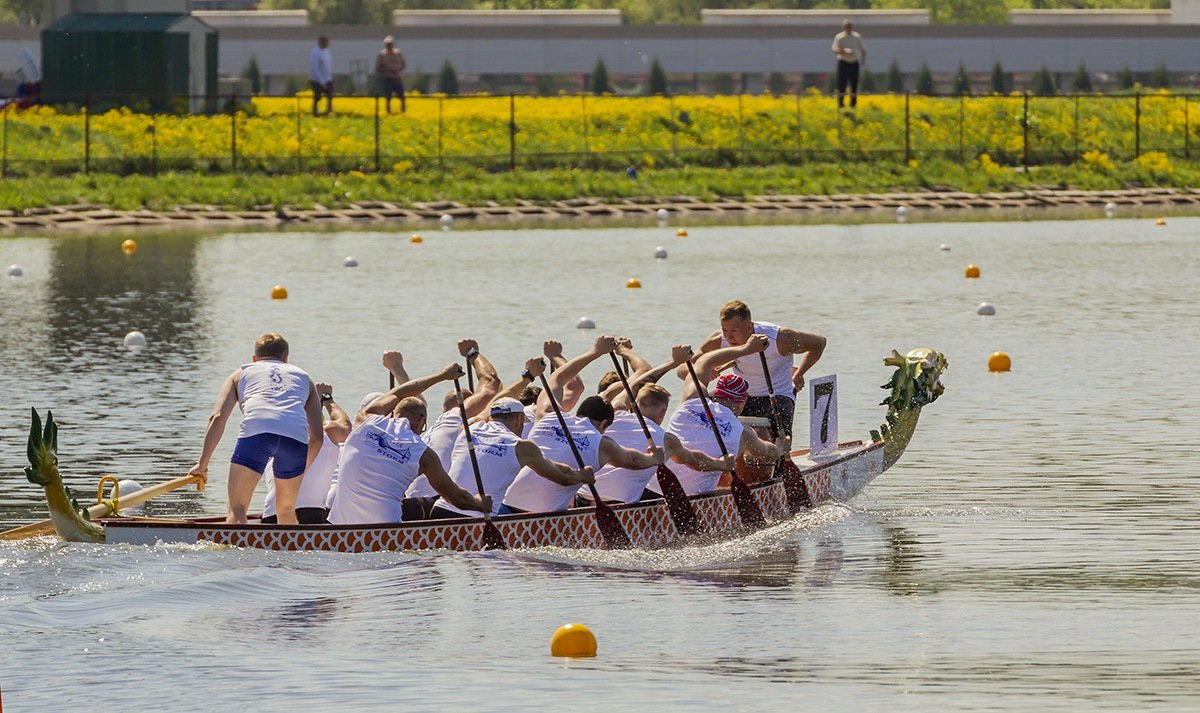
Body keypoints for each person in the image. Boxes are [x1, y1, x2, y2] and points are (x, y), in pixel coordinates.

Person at [499, 336, 664, 514]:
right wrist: (654, 459)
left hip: (505, 506)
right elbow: (632, 460)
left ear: (579, 413)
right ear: (603, 424)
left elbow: (558, 378)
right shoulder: (602, 444)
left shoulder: (548, 415)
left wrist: (595, 352)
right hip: (543, 517)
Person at [326, 362, 490, 525]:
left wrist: (442, 374)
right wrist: (479, 503)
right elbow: (455, 498)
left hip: (340, 529)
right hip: (387, 535)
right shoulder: (424, 455)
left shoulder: (366, 419)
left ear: (393, 414)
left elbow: (400, 392)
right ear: (421, 421)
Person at [188, 333, 324, 525]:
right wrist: (300, 468)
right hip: (295, 441)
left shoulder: (240, 373)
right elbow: (317, 437)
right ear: (286, 359)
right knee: (286, 510)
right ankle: (291, 553)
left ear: (254, 358)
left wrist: (202, 465)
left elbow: (218, 418)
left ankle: (237, 552)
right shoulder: (305, 378)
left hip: (257, 434)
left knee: (237, 508)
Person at [427, 380, 593, 520]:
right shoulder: (521, 446)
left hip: (439, 512)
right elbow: (561, 477)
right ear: (519, 419)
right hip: (476, 519)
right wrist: (581, 475)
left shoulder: (468, 429)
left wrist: (525, 378)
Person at [657, 336, 786, 497]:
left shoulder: (692, 398)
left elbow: (704, 361)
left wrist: (747, 348)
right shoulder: (744, 433)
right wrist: (781, 447)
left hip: (656, 487)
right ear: (741, 402)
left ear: (716, 393)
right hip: (695, 497)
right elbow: (768, 452)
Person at [698, 300, 826, 451]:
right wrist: (706, 371)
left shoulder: (781, 339)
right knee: (721, 428)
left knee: (778, 439)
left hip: (778, 393)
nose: (729, 337)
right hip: (742, 396)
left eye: (734, 331)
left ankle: (780, 459)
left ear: (750, 327)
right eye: (725, 330)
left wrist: (799, 373)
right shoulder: (718, 340)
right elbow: (683, 369)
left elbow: (820, 343)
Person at [586, 380, 734, 505]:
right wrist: (722, 464)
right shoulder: (666, 439)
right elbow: (694, 460)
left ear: (633, 406)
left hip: (583, 495)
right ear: (663, 412)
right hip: (618, 504)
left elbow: (622, 396)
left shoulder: (615, 415)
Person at [403, 340, 501, 517]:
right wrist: (472, 353)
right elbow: (491, 384)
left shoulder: (430, 428)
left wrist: (397, 368)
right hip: (438, 501)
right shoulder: (458, 415)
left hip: (412, 501)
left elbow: (410, 397)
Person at [261, 381, 351, 524]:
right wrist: (327, 399)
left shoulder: (271, 436)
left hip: (272, 515)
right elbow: (345, 426)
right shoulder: (327, 433)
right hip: (312, 513)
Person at [831, 19, 866, 113]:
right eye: (847, 26)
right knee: (841, 84)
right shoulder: (839, 37)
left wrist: (862, 60)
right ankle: (841, 104)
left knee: (854, 85)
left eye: (850, 26)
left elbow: (863, 49)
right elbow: (834, 49)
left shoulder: (857, 37)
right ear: (843, 27)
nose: (848, 28)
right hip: (843, 62)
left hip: (854, 62)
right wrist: (844, 51)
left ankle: (853, 105)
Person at [375, 35, 406, 114]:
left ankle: (403, 112)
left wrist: (398, 70)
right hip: (387, 78)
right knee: (388, 98)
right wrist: (388, 70)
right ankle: (388, 113)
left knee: (402, 96)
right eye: (387, 44)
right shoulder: (382, 55)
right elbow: (378, 68)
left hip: (397, 78)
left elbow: (403, 63)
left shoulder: (398, 53)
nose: (389, 45)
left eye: (390, 44)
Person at [309, 35, 333, 116]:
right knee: (317, 97)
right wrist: (321, 82)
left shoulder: (326, 52)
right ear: (322, 42)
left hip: (327, 79)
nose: (328, 43)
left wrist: (328, 79)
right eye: (326, 42)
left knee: (330, 95)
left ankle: (328, 111)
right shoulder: (315, 52)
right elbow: (314, 68)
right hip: (317, 80)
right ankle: (315, 113)